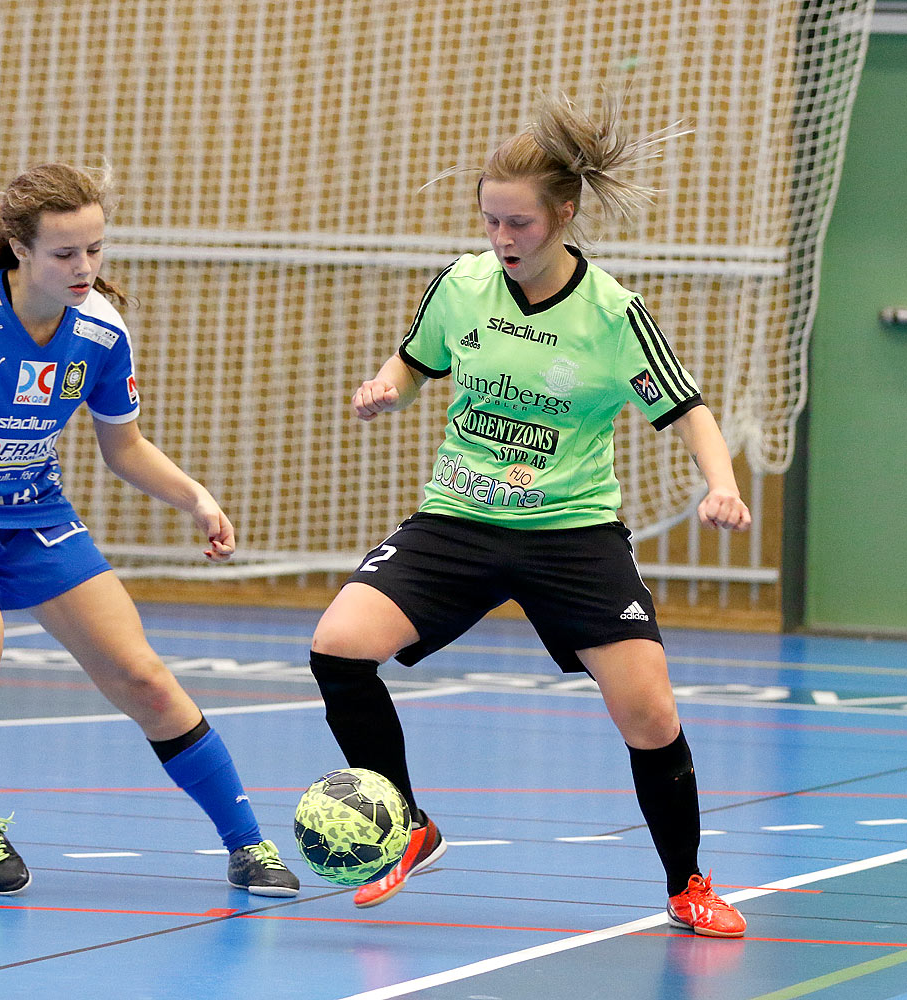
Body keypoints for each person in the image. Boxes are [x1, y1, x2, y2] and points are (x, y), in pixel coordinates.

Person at [308, 94, 752, 937]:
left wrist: (720, 482)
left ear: (564, 216)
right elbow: (413, 362)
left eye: (519, 225)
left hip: (572, 536)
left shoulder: (612, 315)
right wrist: (384, 390)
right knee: (337, 647)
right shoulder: (463, 284)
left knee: (651, 715)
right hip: (458, 520)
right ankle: (407, 827)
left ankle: (687, 883)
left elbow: (689, 411)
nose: (503, 240)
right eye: (491, 222)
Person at [0, 162, 299, 899]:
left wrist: (195, 498)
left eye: (96, 250)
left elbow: (123, 445)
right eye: (66, 253)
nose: (85, 268)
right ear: (19, 248)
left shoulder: (100, 329)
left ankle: (247, 844)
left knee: (143, 677)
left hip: (35, 515)